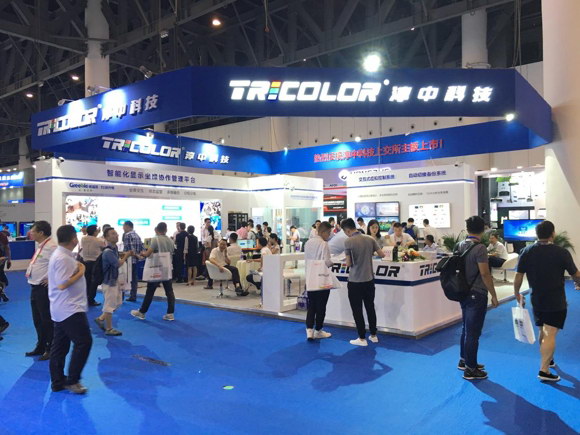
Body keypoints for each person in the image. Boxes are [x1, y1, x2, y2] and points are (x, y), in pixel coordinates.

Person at [514, 220, 580, 382]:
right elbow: (576, 274)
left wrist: (516, 293)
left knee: (543, 330)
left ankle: (548, 359)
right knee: (550, 333)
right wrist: (578, 283)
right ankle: (544, 370)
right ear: (552, 234)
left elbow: (518, 275)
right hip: (556, 300)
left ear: (537, 234)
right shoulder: (561, 252)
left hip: (536, 299)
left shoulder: (526, 251)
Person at [48, 225, 92, 394]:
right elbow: (62, 284)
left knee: (60, 347)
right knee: (84, 342)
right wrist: (81, 271)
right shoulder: (63, 258)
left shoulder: (63, 255)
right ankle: (73, 380)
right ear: (74, 239)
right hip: (69, 309)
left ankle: (58, 381)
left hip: (62, 308)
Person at [456, 216, 499, 380]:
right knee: (473, 332)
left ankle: (465, 360)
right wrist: (494, 295)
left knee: (466, 328)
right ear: (483, 230)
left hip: (463, 292)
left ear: (468, 229)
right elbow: (485, 273)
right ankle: (471, 369)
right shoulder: (480, 248)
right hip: (477, 293)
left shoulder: (460, 245)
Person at [341, 218, 385, 346]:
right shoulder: (370, 239)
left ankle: (361, 338)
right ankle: (373, 335)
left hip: (355, 281)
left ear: (347, 230)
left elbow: (349, 263)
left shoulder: (348, 241)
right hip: (369, 280)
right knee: (370, 307)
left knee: (357, 310)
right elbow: (382, 254)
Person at [25, 221, 58, 361]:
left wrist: (52, 279)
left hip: (43, 289)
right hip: (35, 286)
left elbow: (60, 264)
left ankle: (50, 348)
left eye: (33, 231)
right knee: (37, 320)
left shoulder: (52, 247)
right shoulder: (41, 246)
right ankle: (41, 345)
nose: (30, 233)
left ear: (41, 233)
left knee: (46, 320)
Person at [131, 222, 176, 321]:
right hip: (167, 268)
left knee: (150, 291)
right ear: (166, 229)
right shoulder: (171, 240)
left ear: (156, 229)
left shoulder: (155, 239)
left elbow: (148, 254)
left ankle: (142, 312)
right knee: (169, 291)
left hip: (156, 268)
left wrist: (142, 253)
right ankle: (170, 313)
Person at [94, 228, 132, 336]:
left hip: (115, 280)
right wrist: (126, 256)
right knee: (109, 305)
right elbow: (117, 264)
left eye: (116, 233)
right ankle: (109, 328)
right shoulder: (108, 252)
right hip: (109, 282)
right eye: (113, 234)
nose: (116, 235)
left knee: (117, 303)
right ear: (106, 237)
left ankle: (101, 319)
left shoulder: (114, 249)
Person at [304, 221, 334, 341]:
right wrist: (333, 262)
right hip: (321, 278)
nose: (329, 235)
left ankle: (309, 330)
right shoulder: (324, 244)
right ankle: (318, 330)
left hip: (310, 277)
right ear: (324, 232)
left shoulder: (308, 243)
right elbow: (327, 262)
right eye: (329, 233)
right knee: (321, 305)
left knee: (312, 305)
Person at [80, 225, 104, 306]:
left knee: (86, 281)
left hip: (85, 262)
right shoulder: (98, 240)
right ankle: (91, 300)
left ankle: (85, 298)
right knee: (94, 282)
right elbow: (104, 246)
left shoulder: (83, 239)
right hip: (94, 263)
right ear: (94, 232)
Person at [122, 221, 143, 302]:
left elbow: (130, 250)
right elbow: (141, 248)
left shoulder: (127, 235)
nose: (123, 228)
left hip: (129, 260)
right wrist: (138, 256)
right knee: (134, 279)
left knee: (123, 278)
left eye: (123, 226)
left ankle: (121, 296)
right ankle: (133, 296)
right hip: (135, 261)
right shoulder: (137, 235)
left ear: (127, 226)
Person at [0, 228, 11, 301]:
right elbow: (7, 249)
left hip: (1, 261)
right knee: (4, 281)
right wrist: (9, 260)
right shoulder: (3, 236)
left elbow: (7, 248)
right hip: (1, 260)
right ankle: (1, 289)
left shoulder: (3, 236)